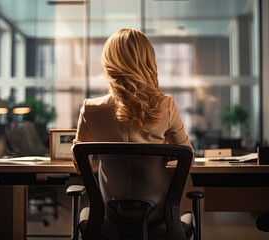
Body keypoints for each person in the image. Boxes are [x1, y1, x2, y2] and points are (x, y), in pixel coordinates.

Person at [73, 28, 194, 238]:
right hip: (158, 217)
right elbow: (188, 158)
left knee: (85, 212)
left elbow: (78, 163)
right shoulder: (165, 106)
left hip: (108, 218)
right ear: (148, 62)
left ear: (109, 62)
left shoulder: (90, 109)